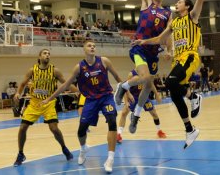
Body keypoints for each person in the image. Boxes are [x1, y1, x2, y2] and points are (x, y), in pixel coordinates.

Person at [131, 0, 219, 149]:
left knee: (170, 83)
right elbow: (159, 39)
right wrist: (143, 42)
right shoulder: (174, 24)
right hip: (178, 61)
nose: (176, 4)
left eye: (179, 2)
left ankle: (194, 96)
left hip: (189, 57)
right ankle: (189, 129)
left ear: (186, 7)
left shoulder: (192, 16)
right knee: (174, 92)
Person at [41, 41, 123, 173]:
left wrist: (127, 92)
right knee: (81, 130)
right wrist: (50, 98)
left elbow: (118, 78)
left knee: (112, 122)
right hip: (90, 100)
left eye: (94, 46)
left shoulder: (104, 61)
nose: (92, 47)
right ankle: (83, 148)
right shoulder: (79, 67)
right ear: (84, 49)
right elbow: (65, 85)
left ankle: (110, 159)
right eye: (89, 46)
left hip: (106, 97)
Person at [114, 0, 172, 135]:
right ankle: (123, 86)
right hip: (139, 47)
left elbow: (168, 34)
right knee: (146, 78)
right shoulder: (147, 4)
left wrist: (170, 50)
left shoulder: (168, 13)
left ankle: (136, 116)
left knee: (147, 85)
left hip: (153, 52)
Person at [12, 49, 74, 166]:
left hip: (48, 103)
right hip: (34, 103)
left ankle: (64, 148)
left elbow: (66, 84)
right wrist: (17, 93)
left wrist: (80, 92)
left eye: (49, 53)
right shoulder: (32, 70)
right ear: (39, 57)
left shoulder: (55, 71)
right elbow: (22, 84)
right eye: (45, 53)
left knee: (54, 129)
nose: (47, 55)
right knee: (22, 127)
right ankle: (21, 154)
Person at [117, 70, 166, 144]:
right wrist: (126, 101)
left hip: (144, 96)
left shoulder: (146, 72)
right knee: (123, 113)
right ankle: (119, 134)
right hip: (134, 97)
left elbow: (151, 84)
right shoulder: (131, 74)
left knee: (154, 114)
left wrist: (156, 94)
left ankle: (159, 131)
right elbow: (125, 87)